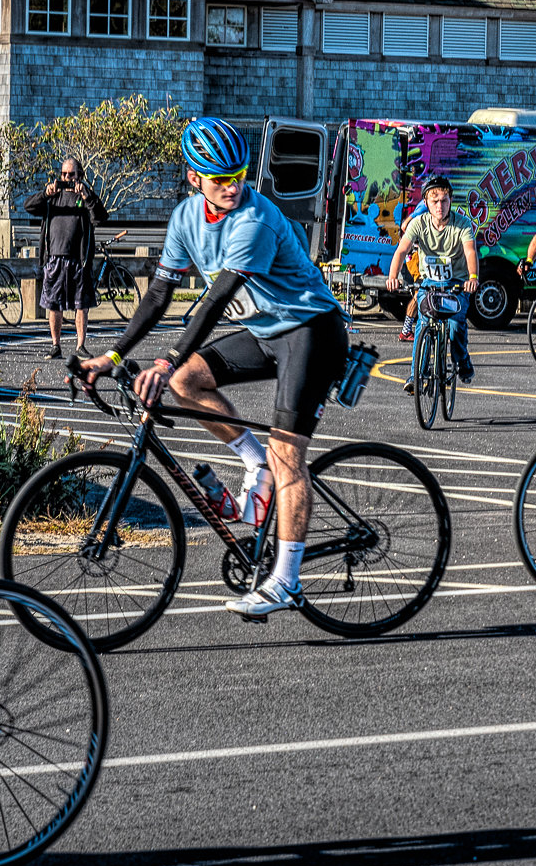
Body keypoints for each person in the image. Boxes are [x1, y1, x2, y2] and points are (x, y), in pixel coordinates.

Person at [81, 117, 346, 621]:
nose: (232, 186)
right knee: (187, 382)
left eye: (239, 175)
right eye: (220, 178)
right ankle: (253, 463)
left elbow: (215, 300)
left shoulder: (255, 221)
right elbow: (159, 294)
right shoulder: (185, 219)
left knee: (287, 454)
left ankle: (286, 581)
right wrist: (112, 354)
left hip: (311, 330)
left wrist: (164, 358)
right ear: (193, 178)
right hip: (267, 331)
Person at [386, 175, 480, 388]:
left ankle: (462, 362)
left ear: (450, 201)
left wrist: (472, 278)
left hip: (456, 284)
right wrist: (393, 277)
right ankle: (415, 377)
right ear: (426, 202)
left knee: (456, 326)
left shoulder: (462, 224)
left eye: (444, 200)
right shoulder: (419, 224)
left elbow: (470, 251)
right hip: (429, 284)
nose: (440, 206)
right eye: (434, 201)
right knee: (422, 324)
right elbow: (402, 250)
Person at [26, 158, 110, 358]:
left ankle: (80, 346)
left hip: (79, 260)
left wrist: (86, 195)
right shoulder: (53, 198)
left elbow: (100, 217)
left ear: (79, 176)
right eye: (64, 174)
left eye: (71, 175)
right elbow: (29, 206)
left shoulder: (86, 197)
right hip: (54, 258)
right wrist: (46, 193)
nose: (67, 178)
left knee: (81, 305)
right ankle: (56, 345)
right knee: (53, 304)